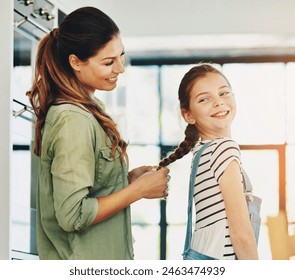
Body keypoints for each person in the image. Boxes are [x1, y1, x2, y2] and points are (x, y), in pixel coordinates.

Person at [26, 6, 170, 260]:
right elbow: (73, 214)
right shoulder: (72, 119)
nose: (120, 69)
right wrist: (137, 192)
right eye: (108, 62)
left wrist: (128, 181)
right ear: (75, 62)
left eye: (121, 57)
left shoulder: (89, 111)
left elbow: (92, 189)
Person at [159, 63, 258, 260]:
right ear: (188, 115)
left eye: (224, 93)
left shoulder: (201, 153)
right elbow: (242, 236)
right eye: (204, 99)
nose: (219, 103)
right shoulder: (224, 149)